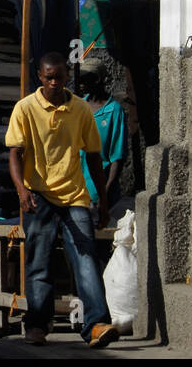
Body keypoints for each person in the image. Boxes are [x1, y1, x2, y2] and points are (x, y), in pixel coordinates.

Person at [7, 51, 118, 348]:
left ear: (68, 76)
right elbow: (15, 153)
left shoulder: (81, 109)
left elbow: (94, 157)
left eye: (59, 76)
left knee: (86, 260)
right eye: (48, 77)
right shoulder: (25, 108)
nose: (54, 82)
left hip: (74, 196)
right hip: (39, 197)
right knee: (39, 263)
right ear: (40, 78)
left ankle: (96, 324)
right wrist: (22, 190)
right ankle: (38, 325)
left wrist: (103, 200)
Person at [78, 64, 128, 211]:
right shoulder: (78, 107)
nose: (80, 83)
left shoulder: (114, 111)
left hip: (97, 195)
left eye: (84, 79)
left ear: (97, 80)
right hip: (75, 192)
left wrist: (104, 194)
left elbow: (117, 158)